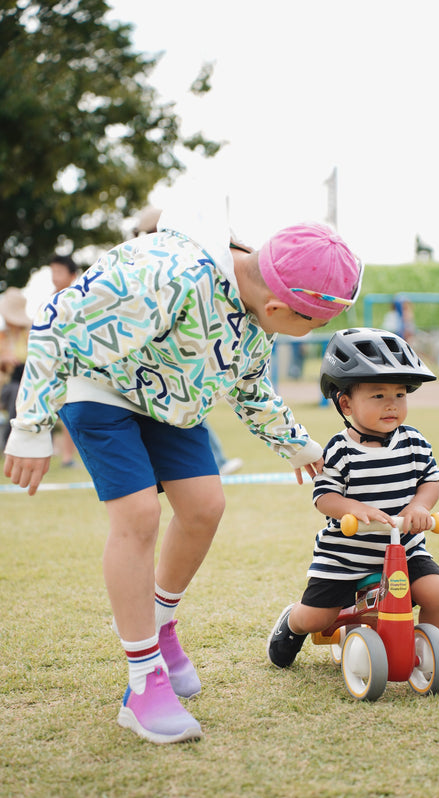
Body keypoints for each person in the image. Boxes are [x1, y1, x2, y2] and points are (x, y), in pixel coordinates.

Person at [3, 196, 364, 744]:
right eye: (312, 324)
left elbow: (248, 386)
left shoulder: (256, 311)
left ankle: (161, 621)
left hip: (170, 401)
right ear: (277, 309)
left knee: (204, 508)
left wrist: (298, 446)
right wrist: (30, 427)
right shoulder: (169, 278)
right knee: (140, 516)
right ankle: (143, 681)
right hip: (100, 386)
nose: (311, 335)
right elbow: (58, 322)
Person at [267, 327, 439, 686]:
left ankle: (436, 649)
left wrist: (419, 507)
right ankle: (292, 623)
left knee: (436, 592)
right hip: (346, 554)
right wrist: (350, 508)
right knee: (319, 618)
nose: (392, 404)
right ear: (345, 403)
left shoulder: (414, 442)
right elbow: (324, 497)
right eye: (378, 395)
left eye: (399, 394)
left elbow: (430, 480)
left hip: (404, 548)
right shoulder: (339, 450)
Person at [134, 205, 243, 476]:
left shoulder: (190, 269)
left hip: (172, 380)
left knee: (194, 414)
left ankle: (216, 460)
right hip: (153, 380)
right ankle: (216, 461)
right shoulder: (152, 269)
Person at [49, 254, 80, 466]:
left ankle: (68, 457)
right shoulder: (48, 302)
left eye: (59, 272)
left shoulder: (78, 299)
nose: (54, 276)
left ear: (72, 275)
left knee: (71, 413)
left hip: (74, 367)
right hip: (52, 365)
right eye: (52, 271)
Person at [0, 288, 32, 448]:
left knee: (20, 391)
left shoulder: (30, 336)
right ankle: (10, 442)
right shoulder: (2, 337)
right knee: (15, 391)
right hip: (5, 387)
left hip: (26, 385)